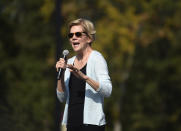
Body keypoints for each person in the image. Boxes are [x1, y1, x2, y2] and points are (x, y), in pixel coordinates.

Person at [56, 18, 112, 131]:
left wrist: (84, 77)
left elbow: (107, 90)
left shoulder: (97, 58)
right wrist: (60, 75)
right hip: (71, 124)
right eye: (71, 35)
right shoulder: (69, 62)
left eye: (78, 34)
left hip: (92, 126)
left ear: (89, 38)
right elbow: (61, 97)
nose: (73, 38)